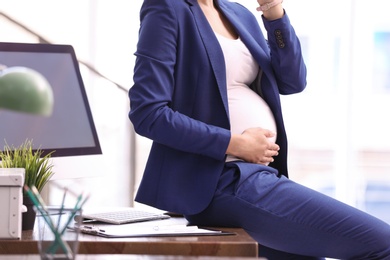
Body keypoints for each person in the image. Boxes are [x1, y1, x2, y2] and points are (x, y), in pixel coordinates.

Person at [128, 0, 390, 259]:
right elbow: (148, 113)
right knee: (383, 242)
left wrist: (275, 14)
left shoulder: (238, 13)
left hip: (260, 175)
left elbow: (293, 81)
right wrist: (235, 143)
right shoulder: (167, 8)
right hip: (221, 179)